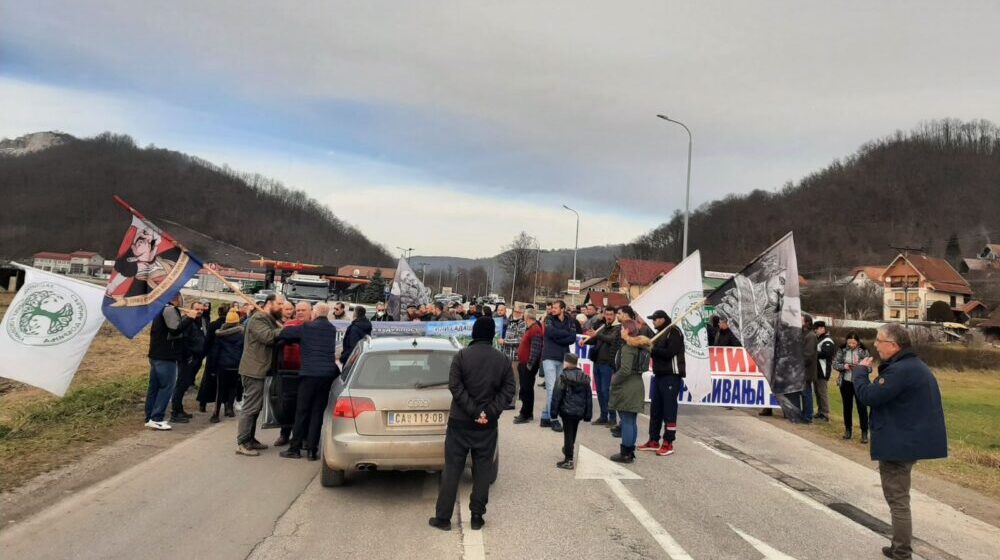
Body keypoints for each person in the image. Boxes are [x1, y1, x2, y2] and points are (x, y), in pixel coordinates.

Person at [854, 323, 947, 560]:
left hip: (899, 443)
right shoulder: (912, 366)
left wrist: (860, 374)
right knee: (898, 498)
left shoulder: (901, 371)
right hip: (906, 439)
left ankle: (902, 552)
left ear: (893, 345)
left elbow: (869, 397)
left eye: (879, 341)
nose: (875, 345)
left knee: (898, 500)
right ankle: (899, 546)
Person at [430, 317, 515, 532]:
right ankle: (477, 516)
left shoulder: (461, 356)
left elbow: (455, 386)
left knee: (452, 470)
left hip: (460, 422)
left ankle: (443, 518)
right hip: (487, 426)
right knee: (483, 470)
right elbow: (508, 391)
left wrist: (473, 411)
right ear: (491, 335)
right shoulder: (502, 360)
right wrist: (488, 412)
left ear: (475, 333)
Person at [278, 303, 339, 461]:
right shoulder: (332, 329)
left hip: (309, 375)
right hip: (326, 376)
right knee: (317, 412)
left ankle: (295, 448)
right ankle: (312, 450)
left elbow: (286, 333)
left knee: (302, 411)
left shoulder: (307, 328)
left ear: (314, 313)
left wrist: (285, 327)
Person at [236, 294, 283, 456]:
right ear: (269, 303)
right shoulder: (258, 319)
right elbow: (268, 337)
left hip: (261, 370)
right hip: (253, 370)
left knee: (256, 407)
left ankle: (250, 438)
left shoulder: (269, 319)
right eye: (279, 303)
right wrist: (284, 330)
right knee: (250, 407)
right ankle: (242, 442)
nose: (282, 307)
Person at [144, 295, 196, 430]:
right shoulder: (169, 309)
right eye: (180, 297)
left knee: (154, 387)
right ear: (176, 298)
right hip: (166, 356)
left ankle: (150, 416)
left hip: (156, 354)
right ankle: (156, 418)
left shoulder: (161, 308)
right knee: (166, 387)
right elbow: (175, 329)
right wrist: (189, 318)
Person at [638, 310, 685, 456]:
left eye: (656, 319)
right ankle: (653, 439)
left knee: (669, 410)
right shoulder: (658, 333)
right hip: (658, 374)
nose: (653, 322)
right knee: (655, 409)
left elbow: (669, 352)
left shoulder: (674, 331)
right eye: (652, 319)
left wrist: (652, 348)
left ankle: (668, 442)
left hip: (671, 375)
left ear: (663, 319)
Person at [609, 320, 650, 463]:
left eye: (622, 328)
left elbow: (625, 370)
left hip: (627, 385)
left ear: (626, 331)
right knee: (631, 421)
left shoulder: (628, 348)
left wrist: (614, 380)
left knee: (626, 420)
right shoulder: (641, 347)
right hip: (637, 383)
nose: (620, 331)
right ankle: (629, 450)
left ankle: (625, 452)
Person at [273, 301, 311, 446]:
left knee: (304, 406)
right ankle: (284, 433)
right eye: (298, 310)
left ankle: (302, 436)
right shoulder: (289, 325)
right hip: (288, 370)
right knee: (287, 405)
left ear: (310, 312)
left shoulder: (313, 327)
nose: (300, 312)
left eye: (303, 310)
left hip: (306, 371)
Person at [539, 300, 580, 432]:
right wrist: (564, 334)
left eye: (556, 308)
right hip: (549, 357)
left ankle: (545, 416)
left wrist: (559, 335)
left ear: (562, 309)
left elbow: (572, 338)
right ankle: (554, 419)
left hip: (563, 357)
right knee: (551, 388)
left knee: (558, 388)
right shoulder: (549, 319)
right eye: (552, 307)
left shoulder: (570, 321)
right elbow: (550, 333)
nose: (553, 309)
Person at [550, 353, 593, 469]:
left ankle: (568, 459)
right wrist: (588, 414)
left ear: (567, 362)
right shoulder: (584, 377)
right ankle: (568, 448)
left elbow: (557, 396)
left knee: (568, 433)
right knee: (573, 431)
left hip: (567, 410)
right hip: (579, 411)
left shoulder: (563, 376)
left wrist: (553, 412)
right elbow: (589, 397)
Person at [171, 300, 207, 423]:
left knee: (185, 384)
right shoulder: (187, 321)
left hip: (196, 357)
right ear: (191, 309)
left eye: (202, 310)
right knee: (181, 385)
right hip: (186, 358)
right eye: (197, 309)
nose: (200, 312)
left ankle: (179, 409)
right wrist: (188, 356)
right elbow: (183, 340)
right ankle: (175, 412)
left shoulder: (200, 321)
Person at [584, 307, 621, 427]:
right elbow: (596, 340)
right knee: (600, 391)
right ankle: (603, 416)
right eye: (606, 314)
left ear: (615, 315)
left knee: (606, 392)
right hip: (598, 362)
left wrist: (597, 335)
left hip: (608, 364)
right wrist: (586, 341)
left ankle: (612, 418)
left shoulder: (618, 328)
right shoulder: (603, 326)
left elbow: (611, 339)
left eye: (611, 314)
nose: (608, 316)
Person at [207, 309, 244, 422]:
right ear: (237, 322)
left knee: (220, 389)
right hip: (236, 365)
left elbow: (215, 352)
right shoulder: (242, 334)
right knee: (233, 387)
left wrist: (212, 368)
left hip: (222, 366)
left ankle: (216, 414)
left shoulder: (220, 335)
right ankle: (229, 409)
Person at [833, 333, 871, 442]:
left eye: (853, 343)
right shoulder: (842, 349)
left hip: (860, 383)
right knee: (847, 407)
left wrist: (860, 368)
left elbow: (869, 369)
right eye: (849, 342)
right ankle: (848, 430)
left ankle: (864, 432)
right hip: (845, 382)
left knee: (861, 407)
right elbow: (835, 364)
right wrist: (844, 366)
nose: (851, 344)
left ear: (858, 342)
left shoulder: (864, 351)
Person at [513, 309, 543, 423]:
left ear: (527, 317)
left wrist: (529, 365)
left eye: (524, 316)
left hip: (528, 365)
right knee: (527, 389)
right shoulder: (530, 329)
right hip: (524, 363)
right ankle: (528, 412)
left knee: (526, 389)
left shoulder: (535, 330)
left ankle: (524, 414)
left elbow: (535, 350)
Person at [196, 306, 228, 412]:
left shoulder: (213, 325)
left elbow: (207, 341)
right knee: (224, 382)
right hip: (225, 356)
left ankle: (203, 404)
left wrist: (203, 354)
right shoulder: (231, 326)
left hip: (212, 356)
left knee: (207, 381)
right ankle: (226, 405)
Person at [793, 314, 818, 424]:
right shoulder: (803, 334)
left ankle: (808, 416)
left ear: (807, 322)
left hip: (806, 370)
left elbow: (808, 354)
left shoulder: (811, 336)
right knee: (802, 392)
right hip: (801, 369)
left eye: (801, 320)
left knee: (806, 393)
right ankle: (803, 414)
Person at [501, 306, 525, 410]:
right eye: (515, 311)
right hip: (506, 355)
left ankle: (512, 402)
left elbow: (520, 340)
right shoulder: (510, 322)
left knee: (515, 380)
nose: (517, 313)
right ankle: (506, 399)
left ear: (522, 313)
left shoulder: (522, 324)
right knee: (506, 379)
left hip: (515, 357)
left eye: (519, 312)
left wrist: (506, 341)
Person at [813, 320, 836, 422]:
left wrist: (813, 353)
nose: (815, 331)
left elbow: (827, 354)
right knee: (817, 392)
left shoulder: (828, 340)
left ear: (822, 328)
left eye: (816, 329)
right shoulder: (819, 339)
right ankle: (820, 411)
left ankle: (825, 414)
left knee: (822, 393)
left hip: (823, 370)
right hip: (816, 370)